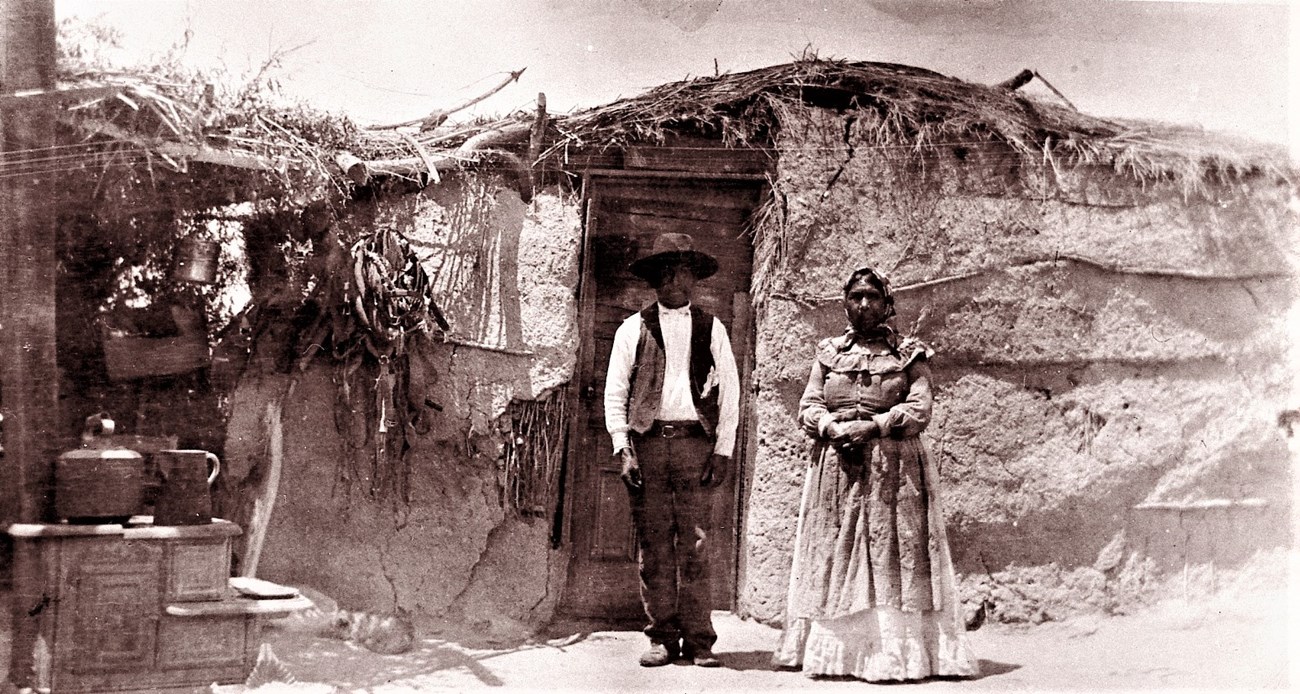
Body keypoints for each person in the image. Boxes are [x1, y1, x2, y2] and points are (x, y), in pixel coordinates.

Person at [771, 266, 978, 682]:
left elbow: (920, 408)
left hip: (894, 469)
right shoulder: (827, 352)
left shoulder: (910, 355)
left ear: (887, 304)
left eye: (871, 297)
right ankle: (837, 655)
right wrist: (831, 428)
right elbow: (809, 405)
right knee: (836, 551)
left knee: (891, 554)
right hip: (837, 466)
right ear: (844, 302)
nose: (863, 304)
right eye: (855, 296)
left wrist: (875, 426)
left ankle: (891, 655)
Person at [604, 232, 741, 668]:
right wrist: (623, 448)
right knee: (654, 546)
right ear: (654, 280)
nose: (674, 281)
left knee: (697, 545)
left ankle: (700, 639)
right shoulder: (632, 328)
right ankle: (661, 636)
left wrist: (722, 450)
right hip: (648, 448)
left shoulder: (711, 327)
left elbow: (732, 395)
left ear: (694, 278)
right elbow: (615, 394)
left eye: (682, 271)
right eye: (665, 272)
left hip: (694, 448)